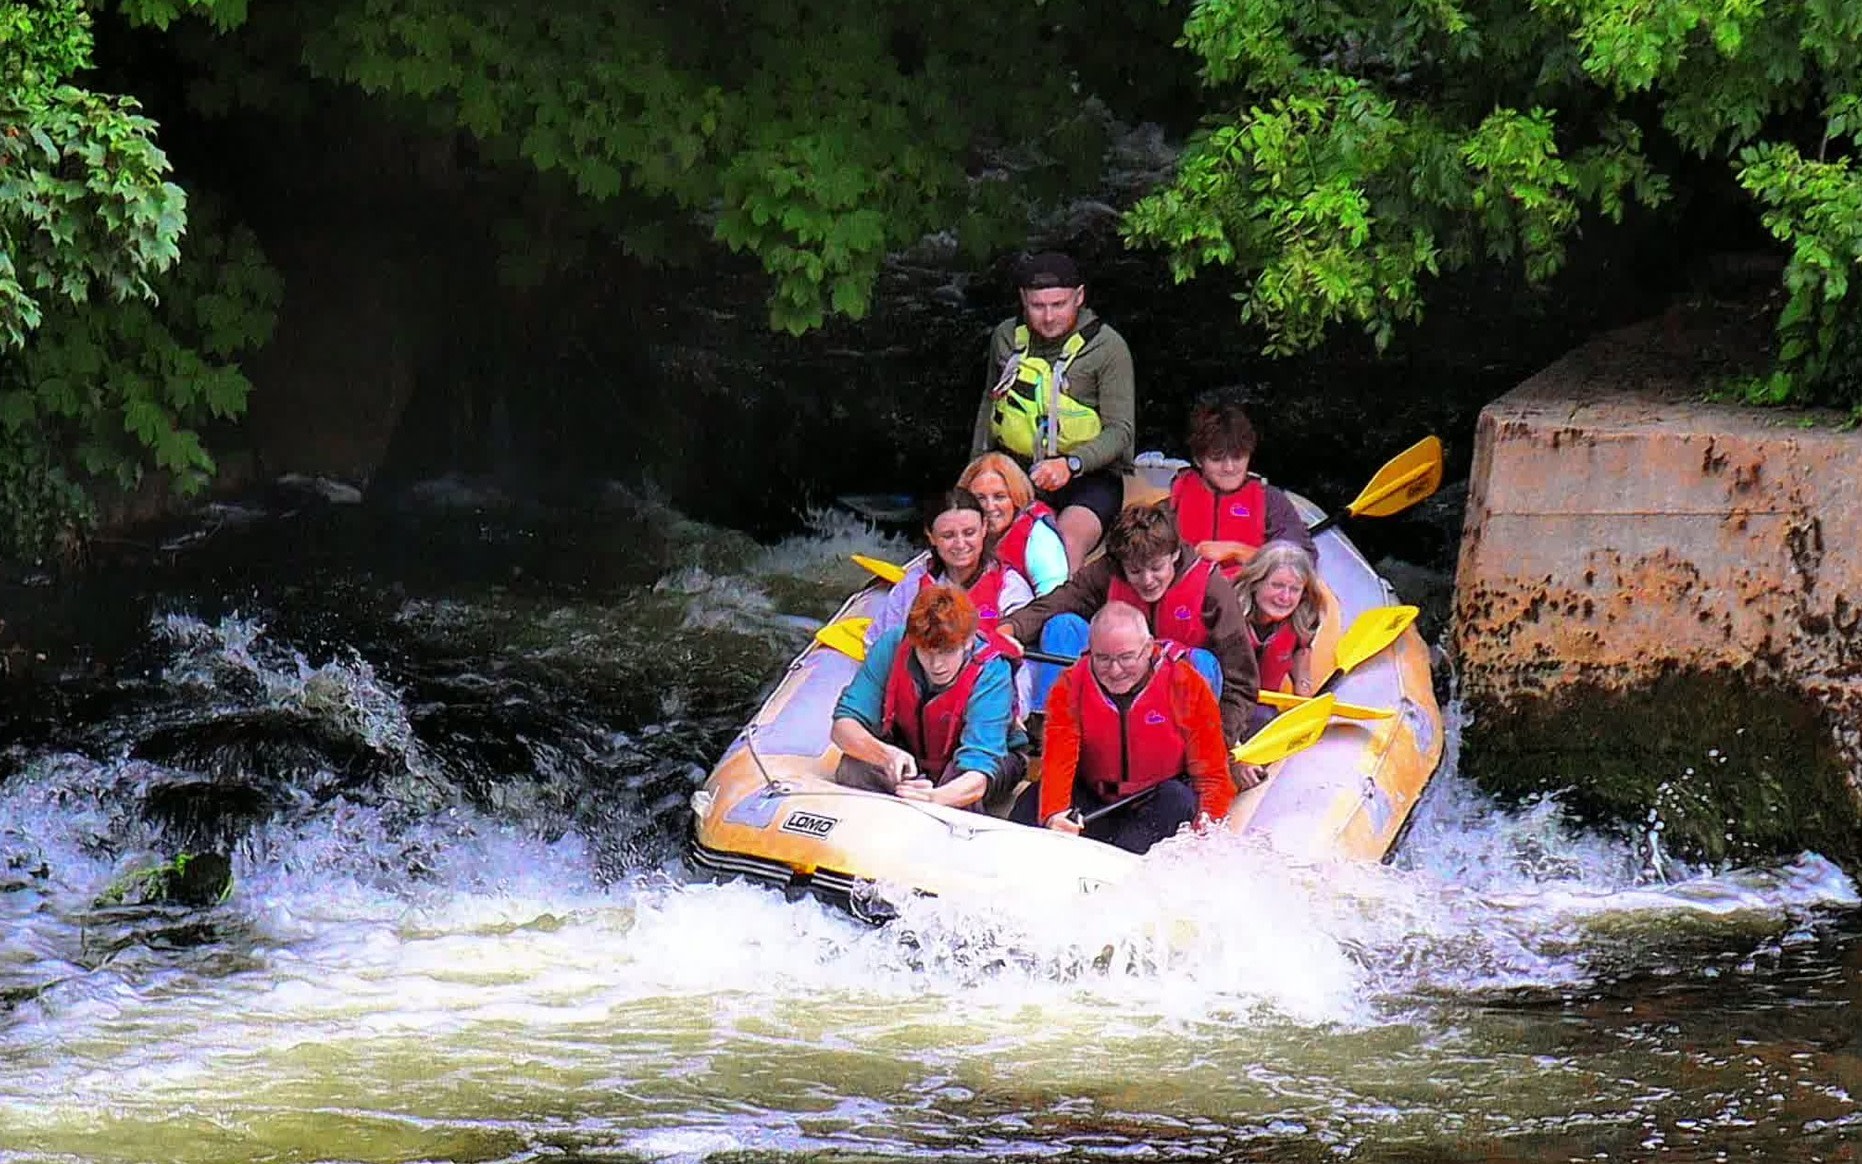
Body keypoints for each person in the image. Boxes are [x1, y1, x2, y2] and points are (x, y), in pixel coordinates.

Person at [999, 502, 1261, 782]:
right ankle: (1052, 737)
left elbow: (1241, 683)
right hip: (1113, 693)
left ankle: (1183, 760)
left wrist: (1219, 743)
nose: (1147, 580)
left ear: (1174, 554)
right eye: (1135, 571)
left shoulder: (1213, 588)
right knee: (1063, 626)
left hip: (1173, 706)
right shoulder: (1107, 570)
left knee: (1202, 662)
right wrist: (1010, 629)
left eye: (1156, 568)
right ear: (1122, 563)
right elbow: (1058, 601)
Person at [1009, 603, 1234, 853]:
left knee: (1178, 800)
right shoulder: (1070, 685)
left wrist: (1206, 828)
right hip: (1095, 797)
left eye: (1126, 657)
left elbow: (1213, 775)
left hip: (1157, 801)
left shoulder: (1186, 684)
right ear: (1090, 651)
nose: (1115, 671)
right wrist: (1055, 815)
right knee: (1030, 805)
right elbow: (1058, 759)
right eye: (1103, 659)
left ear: (1148, 648)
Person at [971, 252, 1135, 572]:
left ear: (1079, 297)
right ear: (1023, 299)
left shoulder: (1108, 347)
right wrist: (974, 472)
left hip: (1088, 476)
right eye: (1037, 306)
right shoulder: (1006, 337)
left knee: (1064, 545)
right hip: (1018, 470)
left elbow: (1121, 431)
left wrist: (1071, 464)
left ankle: (1057, 600)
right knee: (983, 539)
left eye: (1059, 305)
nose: (1048, 317)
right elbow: (989, 406)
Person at [831, 585, 1027, 810]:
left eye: (948, 651)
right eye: (926, 651)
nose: (937, 665)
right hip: (913, 750)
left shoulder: (992, 671)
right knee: (853, 767)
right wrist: (885, 756)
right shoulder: (892, 645)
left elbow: (979, 770)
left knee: (963, 793)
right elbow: (842, 726)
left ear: (968, 642)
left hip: (982, 763)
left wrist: (936, 798)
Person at [1169, 391, 1315, 579]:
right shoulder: (1175, 493)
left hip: (1246, 592)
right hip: (1186, 591)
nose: (1229, 468)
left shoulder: (1271, 500)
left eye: (1238, 457)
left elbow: (1301, 561)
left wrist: (1237, 551)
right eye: (1217, 459)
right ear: (1198, 459)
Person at [871, 488, 1034, 638]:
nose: (960, 544)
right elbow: (878, 642)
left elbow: (1021, 653)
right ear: (931, 536)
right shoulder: (912, 585)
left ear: (984, 528)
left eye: (969, 533)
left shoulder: (1009, 586)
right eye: (948, 536)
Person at [957, 452, 1068, 597]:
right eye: (980, 498)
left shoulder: (1038, 537)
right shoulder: (955, 532)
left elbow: (1055, 601)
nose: (989, 507)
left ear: (1016, 497)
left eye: (999, 497)